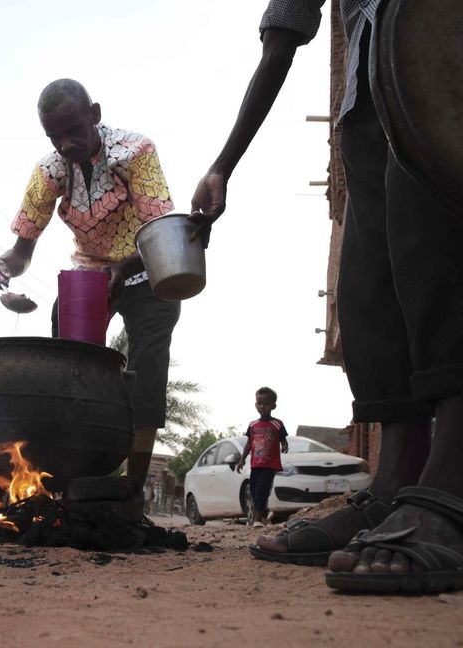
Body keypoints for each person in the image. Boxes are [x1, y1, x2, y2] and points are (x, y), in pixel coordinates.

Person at [190, 1, 463, 593]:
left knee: (438, 249)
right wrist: (224, 165)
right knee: (371, 284)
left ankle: (451, 480)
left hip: (440, 42)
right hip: (368, 88)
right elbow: (285, 30)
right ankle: (394, 483)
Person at [0, 79, 181, 486]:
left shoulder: (135, 151)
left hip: (146, 265)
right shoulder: (49, 171)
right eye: (55, 136)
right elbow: (21, 252)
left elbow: (162, 232)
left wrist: (122, 270)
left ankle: (132, 486)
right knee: (71, 369)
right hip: (90, 272)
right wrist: (0, 262)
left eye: (73, 130)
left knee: (147, 372)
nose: (66, 144)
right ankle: (71, 474)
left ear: (95, 115)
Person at [236, 387, 289, 526]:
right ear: (255, 405)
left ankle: (257, 519)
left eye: (266, 404)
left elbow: (283, 438)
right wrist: (242, 460)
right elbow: (249, 443)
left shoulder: (277, 424)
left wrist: (284, 445)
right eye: (259, 403)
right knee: (254, 491)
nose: (262, 406)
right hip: (256, 465)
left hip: (270, 465)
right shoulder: (252, 425)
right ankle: (261, 515)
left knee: (262, 490)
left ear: (273, 406)